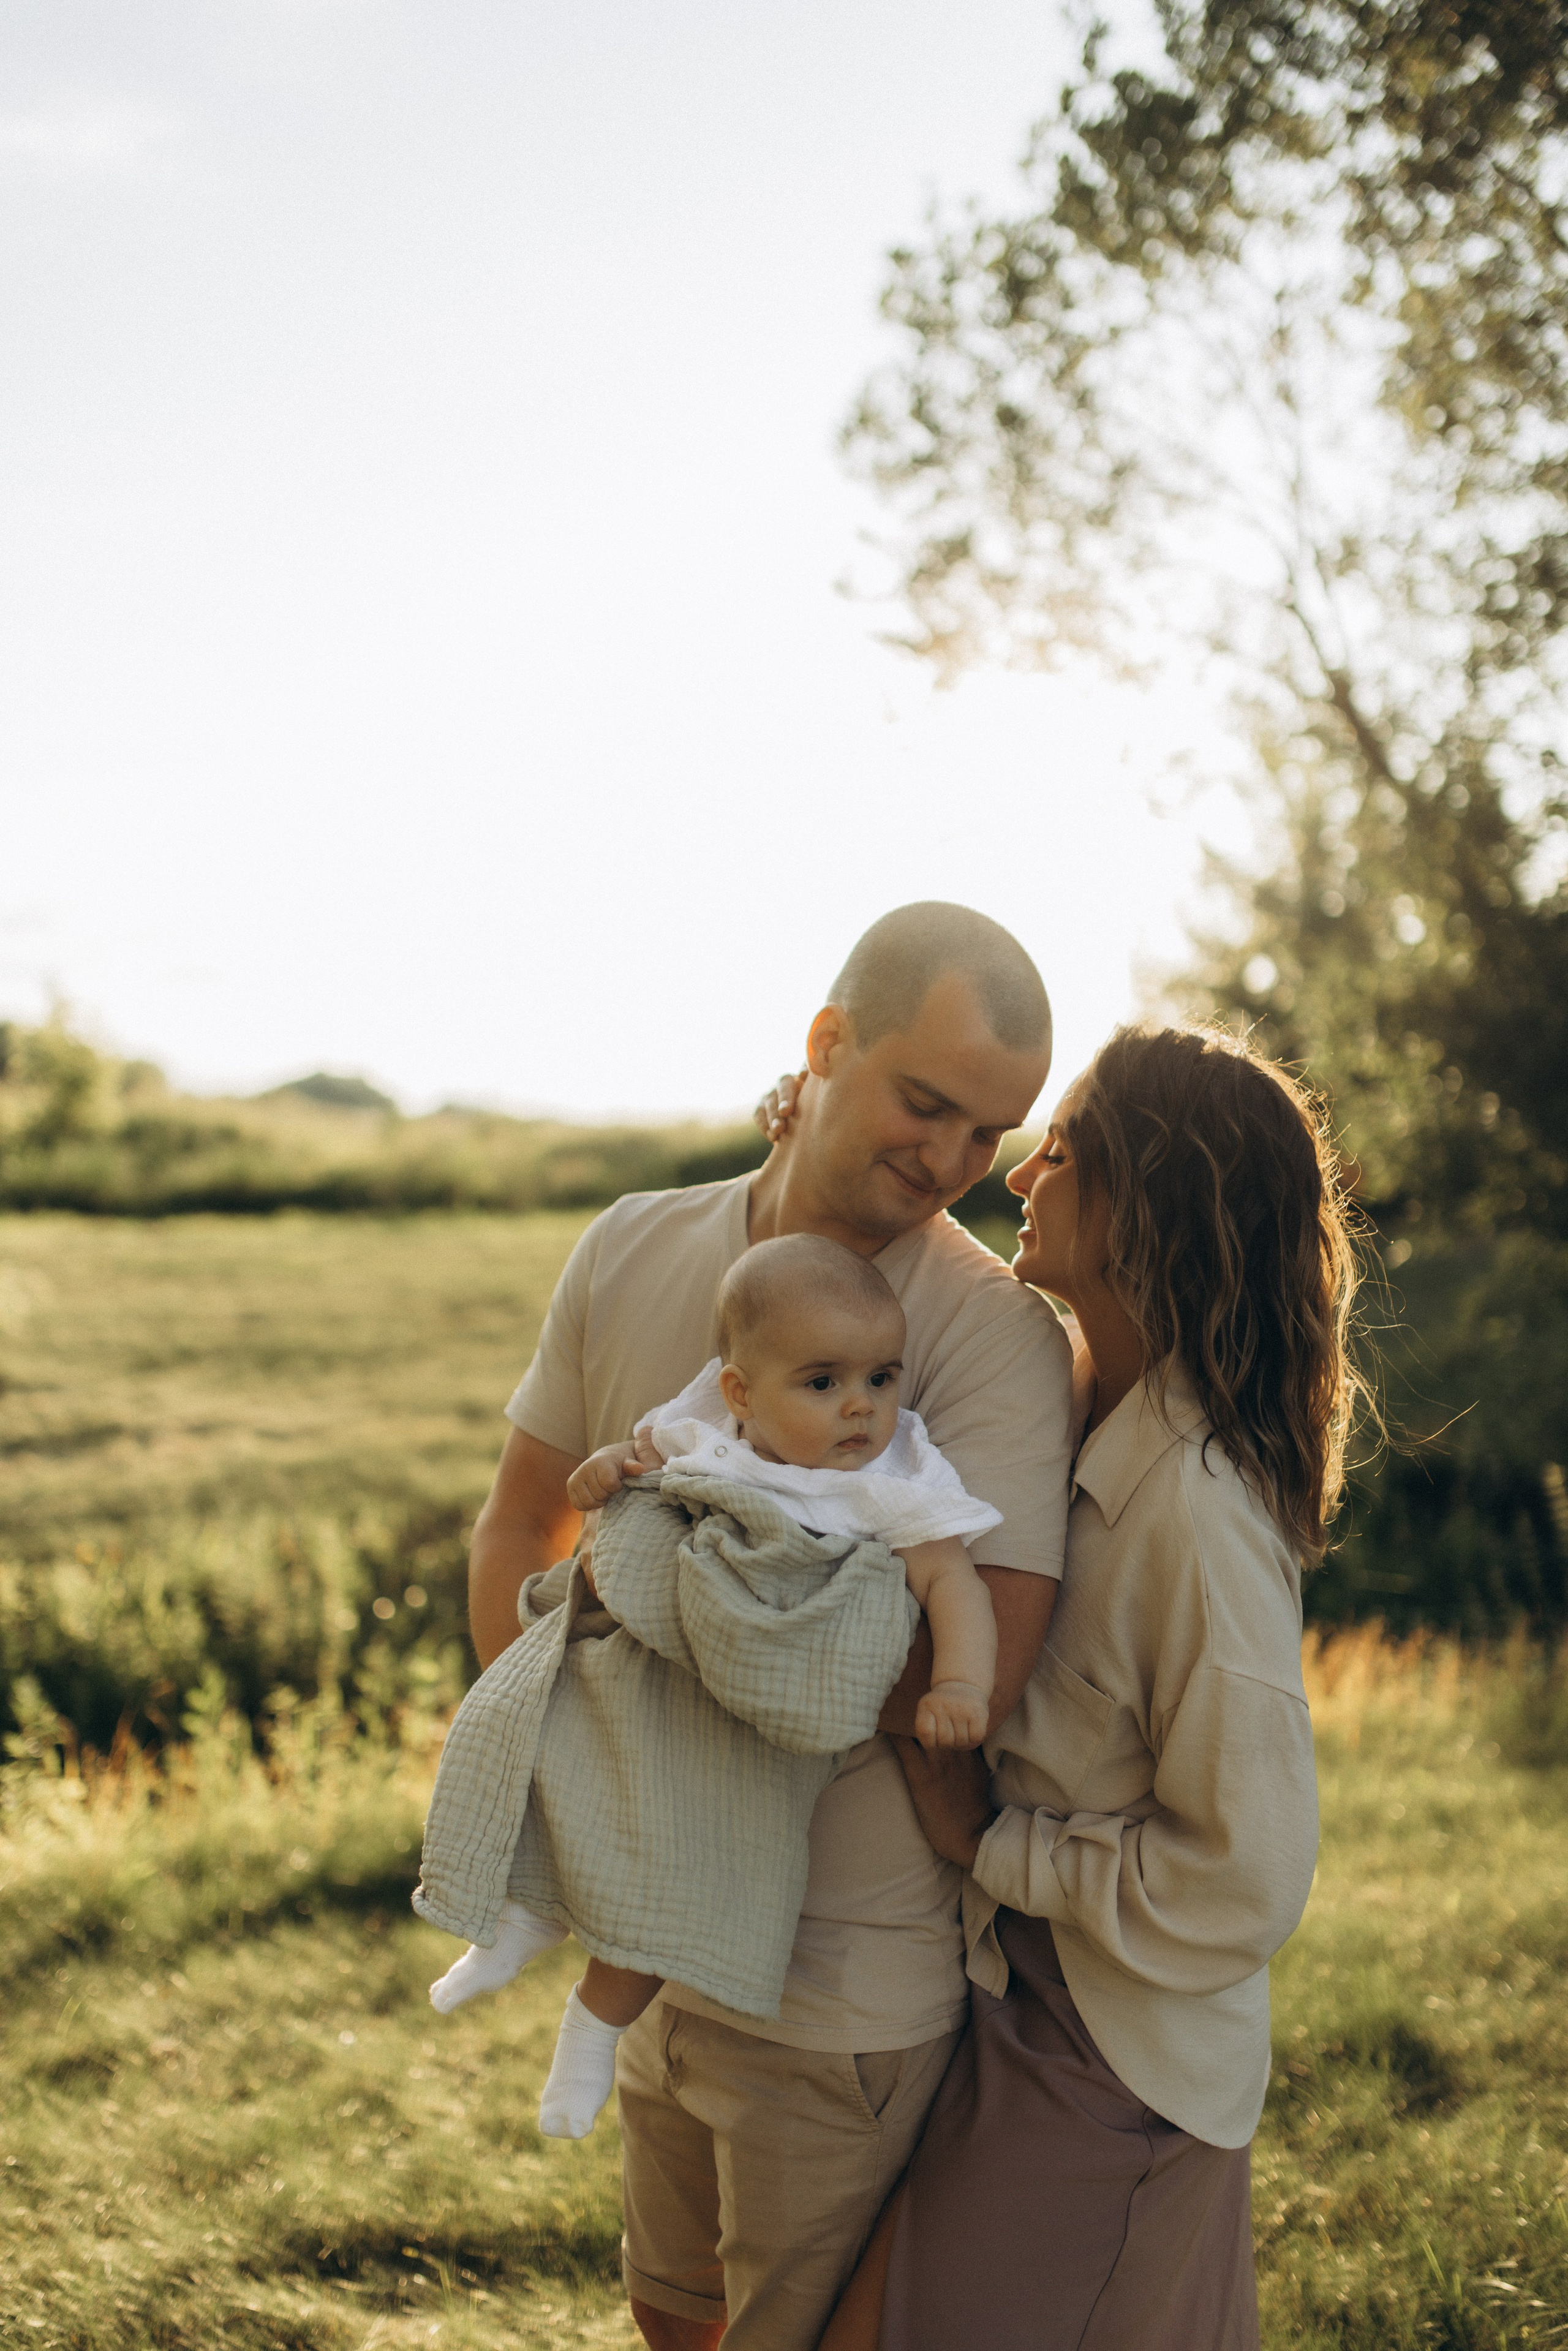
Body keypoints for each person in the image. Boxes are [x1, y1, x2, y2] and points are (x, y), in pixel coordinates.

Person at [467, 902, 1076, 2351]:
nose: (949, 1160)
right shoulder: (629, 1244)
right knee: (667, 2314)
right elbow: (519, 1521)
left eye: (987, 1133)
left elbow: (970, 1665)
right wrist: (550, 1759)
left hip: (840, 1988)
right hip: (648, 1946)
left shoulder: (990, 1333)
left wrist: (668, 1614)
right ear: (824, 1041)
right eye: (924, 1101)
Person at [815, 1022, 1358, 2351]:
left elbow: (1247, 1875)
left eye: (1055, 1151)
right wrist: (806, 1119)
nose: (1016, 1176)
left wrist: (993, 1843)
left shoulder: (1198, 1517)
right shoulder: (1077, 1398)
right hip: (1031, 2001)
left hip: (1120, 2062)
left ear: (1141, 1202)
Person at [417, 1235, 1002, 2145]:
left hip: (742, 1732)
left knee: (679, 1872)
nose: (862, 1405)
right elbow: (621, 1473)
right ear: (741, 1393)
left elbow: (951, 1580)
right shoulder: (704, 1435)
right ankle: (521, 1919)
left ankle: (591, 2031)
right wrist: (601, 1472)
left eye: (883, 1377)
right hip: (644, 1680)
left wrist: (961, 1681)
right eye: (823, 1382)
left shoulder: (892, 1479)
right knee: (560, 1759)